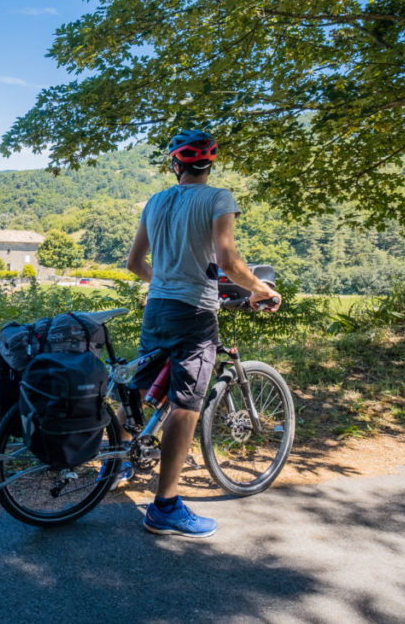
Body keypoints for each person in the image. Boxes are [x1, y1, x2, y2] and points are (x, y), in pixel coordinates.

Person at [125, 130, 279, 538]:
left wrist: (166, 282)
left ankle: (123, 456)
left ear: (175, 165)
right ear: (209, 165)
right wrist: (259, 288)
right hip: (193, 313)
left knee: (143, 388)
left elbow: (133, 262)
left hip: (156, 307)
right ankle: (165, 508)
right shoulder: (217, 198)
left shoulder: (156, 201)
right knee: (186, 404)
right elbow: (227, 259)